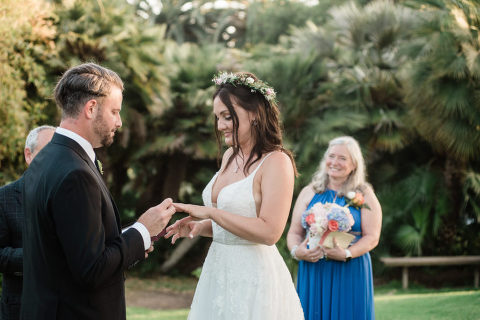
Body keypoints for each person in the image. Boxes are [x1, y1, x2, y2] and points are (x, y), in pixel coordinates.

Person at [21, 63, 176, 320]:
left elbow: (68, 244)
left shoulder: (46, 158)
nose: (120, 121)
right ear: (91, 108)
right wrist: (142, 231)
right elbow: (91, 269)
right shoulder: (75, 173)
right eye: (115, 111)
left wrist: (133, 240)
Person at [165, 71, 304, 320]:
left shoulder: (276, 162)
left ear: (254, 114)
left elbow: (269, 232)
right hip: (218, 270)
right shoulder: (230, 155)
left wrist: (211, 213)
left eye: (227, 117)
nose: (220, 126)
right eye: (217, 118)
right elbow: (232, 221)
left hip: (254, 276)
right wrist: (200, 227)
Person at [286, 136, 382, 320]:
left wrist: (347, 254)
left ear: (354, 165)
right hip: (313, 267)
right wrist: (297, 252)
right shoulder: (310, 191)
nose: (334, 162)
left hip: (350, 268)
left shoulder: (364, 194)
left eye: (342, 158)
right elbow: (294, 233)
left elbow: (372, 237)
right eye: (331, 156)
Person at [0, 125, 55, 320]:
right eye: (47, 152)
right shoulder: (4, 198)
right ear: (28, 155)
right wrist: (36, 257)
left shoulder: (71, 197)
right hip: (20, 308)